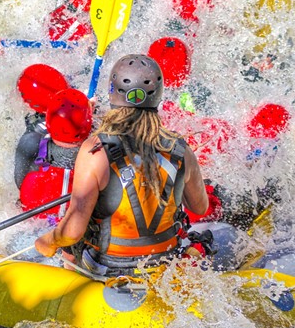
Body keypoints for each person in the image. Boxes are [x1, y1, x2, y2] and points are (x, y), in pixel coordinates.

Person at [35, 54, 208, 276]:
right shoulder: (181, 150)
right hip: (164, 263)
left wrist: (48, 241)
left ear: (112, 93)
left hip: (106, 267)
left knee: (68, 243)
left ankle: (70, 284)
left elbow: (71, 232)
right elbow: (199, 208)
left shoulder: (94, 151)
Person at [15, 88, 93, 224]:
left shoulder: (30, 141)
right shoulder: (97, 153)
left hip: (32, 222)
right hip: (76, 223)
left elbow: (19, 181)